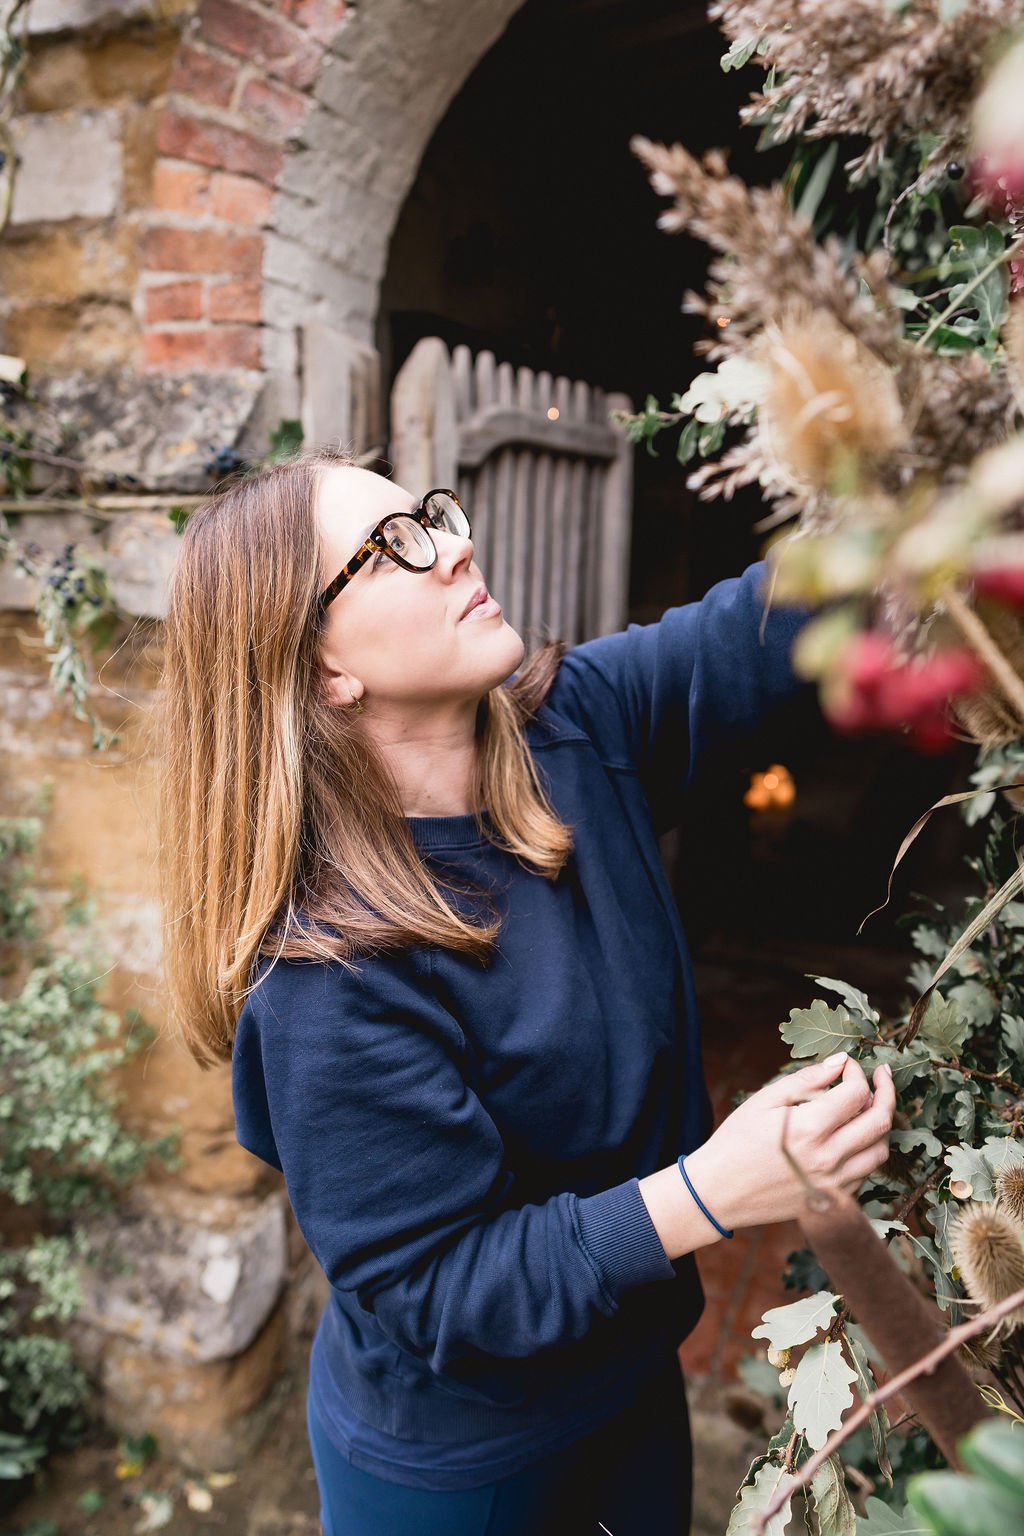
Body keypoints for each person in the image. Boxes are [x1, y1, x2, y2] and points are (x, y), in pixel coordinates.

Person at [159, 450, 896, 1536]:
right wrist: (712, 1191)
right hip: (465, 1464)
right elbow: (444, 1285)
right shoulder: (326, 973)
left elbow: (771, 627)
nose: (456, 543)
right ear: (321, 671)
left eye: (433, 515)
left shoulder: (572, 727)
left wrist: (948, 501)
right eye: (394, 545)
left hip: (633, 1371)